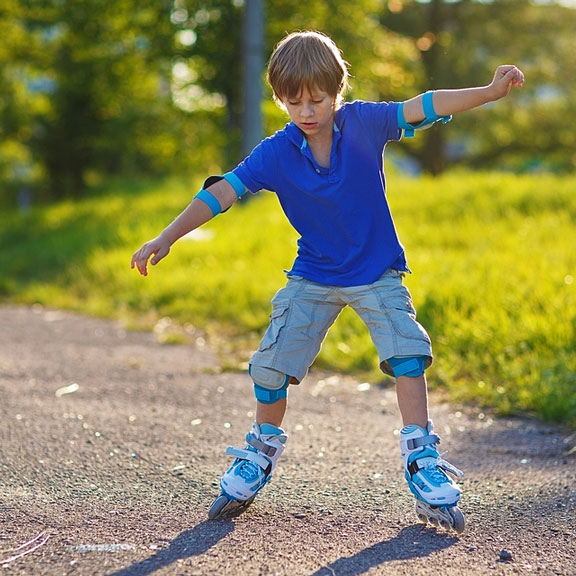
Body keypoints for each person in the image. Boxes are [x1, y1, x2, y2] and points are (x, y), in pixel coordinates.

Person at [131, 31, 524, 527]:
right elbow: (221, 193)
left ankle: (421, 458)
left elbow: (422, 105)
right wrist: (166, 237)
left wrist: (488, 92)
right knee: (271, 367)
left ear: (337, 90)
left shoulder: (365, 123)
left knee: (406, 351)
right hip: (313, 275)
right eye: (293, 101)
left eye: (316, 98)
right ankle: (259, 454)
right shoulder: (277, 152)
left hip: (374, 270)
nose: (307, 111)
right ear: (280, 99)